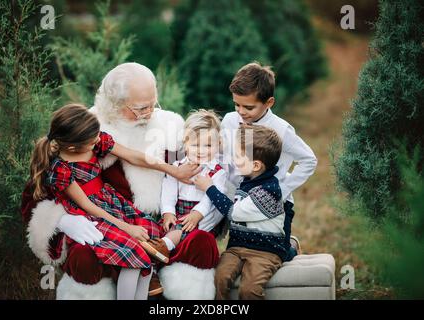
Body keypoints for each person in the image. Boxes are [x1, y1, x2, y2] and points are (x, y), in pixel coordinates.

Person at [22, 63, 219, 300]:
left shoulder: (169, 126)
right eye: (140, 108)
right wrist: (62, 221)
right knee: (89, 257)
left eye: (153, 104)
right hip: (102, 223)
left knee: (199, 242)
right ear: (115, 105)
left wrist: (180, 180)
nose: (149, 112)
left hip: (152, 222)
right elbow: (36, 198)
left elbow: (210, 165)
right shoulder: (84, 130)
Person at [221, 62, 318, 260]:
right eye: (236, 104)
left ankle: (289, 246)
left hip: (274, 203)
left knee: (276, 254)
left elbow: (309, 160)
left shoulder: (281, 130)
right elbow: (225, 159)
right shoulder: (230, 121)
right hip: (241, 200)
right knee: (241, 251)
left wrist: (283, 190)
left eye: (248, 107)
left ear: (269, 102)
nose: (241, 111)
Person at [195, 124, 287, 299]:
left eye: (239, 156)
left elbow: (233, 213)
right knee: (219, 278)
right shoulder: (249, 178)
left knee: (249, 290)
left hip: (265, 251)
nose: (234, 159)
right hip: (237, 248)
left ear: (256, 165)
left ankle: (289, 248)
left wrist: (209, 188)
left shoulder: (267, 191)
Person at [145, 110, 228, 263]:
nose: (202, 150)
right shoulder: (177, 167)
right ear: (186, 143)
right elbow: (168, 192)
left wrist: (197, 213)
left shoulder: (217, 172)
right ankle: (156, 257)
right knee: (164, 227)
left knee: (182, 230)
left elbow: (211, 199)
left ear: (219, 144)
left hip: (204, 215)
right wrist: (168, 212)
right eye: (196, 144)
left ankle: (164, 247)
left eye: (208, 145)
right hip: (179, 210)